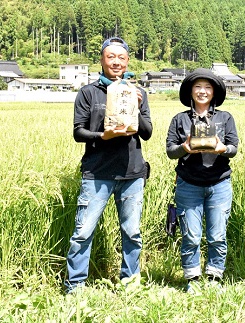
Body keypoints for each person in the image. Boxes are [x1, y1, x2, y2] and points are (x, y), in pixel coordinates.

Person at [65, 37, 153, 294]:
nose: (116, 61)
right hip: (96, 173)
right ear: (102, 60)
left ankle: (130, 282)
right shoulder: (88, 93)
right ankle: (75, 287)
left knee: (132, 233)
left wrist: (136, 106)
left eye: (121, 57)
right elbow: (78, 132)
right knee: (83, 233)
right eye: (110, 56)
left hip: (132, 173)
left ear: (127, 62)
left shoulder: (138, 93)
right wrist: (103, 136)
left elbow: (147, 133)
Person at [166, 68, 238, 293]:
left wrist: (222, 148)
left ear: (214, 92)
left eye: (208, 87)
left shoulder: (225, 118)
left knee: (217, 235)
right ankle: (192, 278)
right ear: (190, 91)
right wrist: (184, 148)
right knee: (191, 235)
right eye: (198, 87)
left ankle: (215, 276)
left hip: (219, 183)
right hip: (188, 184)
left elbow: (234, 148)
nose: (202, 91)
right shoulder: (180, 119)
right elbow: (170, 151)